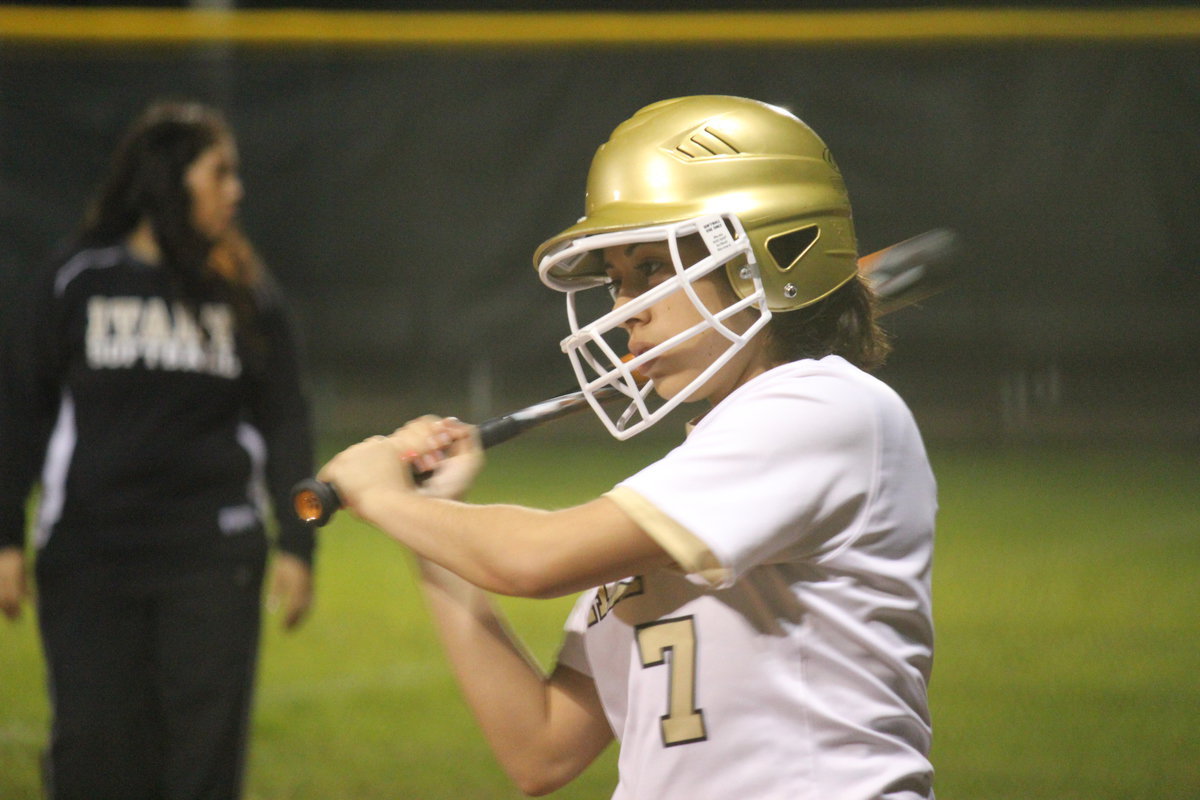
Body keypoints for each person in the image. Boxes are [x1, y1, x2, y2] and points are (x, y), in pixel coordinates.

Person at [318, 95, 936, 799]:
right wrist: (430, 521)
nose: (623, 310)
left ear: (767, 254)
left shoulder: (829, 408)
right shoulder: (685, 490)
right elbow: (541, 748)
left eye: (651, 268)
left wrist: (387, 499)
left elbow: (533, 558)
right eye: (618, 280)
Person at [0, 101, 317, 800]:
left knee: (202, 766)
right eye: (219, 172)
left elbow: (285, 420)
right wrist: (5, 536)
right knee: (96, 756)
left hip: (212, 560)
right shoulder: (78, 278)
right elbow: (21, 408)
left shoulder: (245, 293)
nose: (236, 190)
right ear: (169, 178)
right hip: (91, 557)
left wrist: (300, 540)